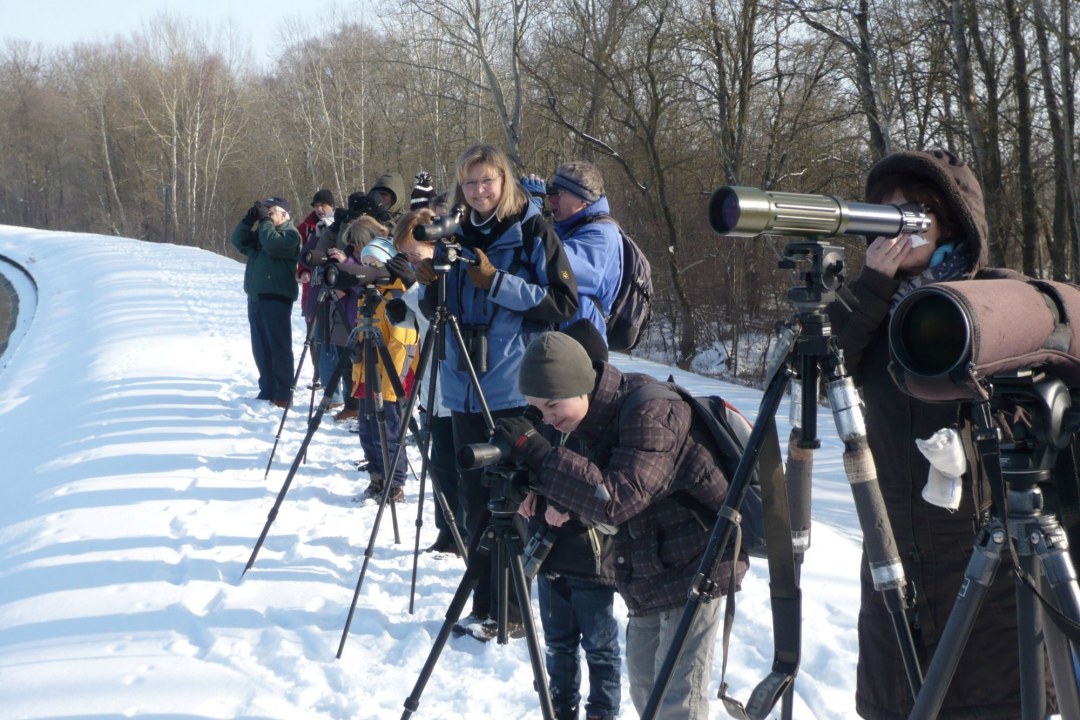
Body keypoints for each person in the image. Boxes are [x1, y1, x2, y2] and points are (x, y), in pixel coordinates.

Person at [826, 148, 1045, 719]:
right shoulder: (866, 311)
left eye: (917, 210)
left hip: (986, 564)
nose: (900, 224)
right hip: (892, 554)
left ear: (953, 219)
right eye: (886, 212)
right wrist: (873, 284)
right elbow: (816, 366)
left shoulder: (997, 299)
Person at [493, 331, 745, 719]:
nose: (548, 419)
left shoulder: (652, 412)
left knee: (677, 701)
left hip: (697, 563)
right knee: (647, 692)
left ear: (581, 387)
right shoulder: (584, 420)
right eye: (537, 410)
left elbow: (619, 497)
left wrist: (542, 458)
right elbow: (588, 484)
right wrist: (535, 488)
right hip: (646, 568)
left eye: (552, 405)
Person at [414, 143, 579, 642]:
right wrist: (428, 283)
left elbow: (562, 303)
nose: (479, 191)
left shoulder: (532, 231)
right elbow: (443, 303)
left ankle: (512, 610)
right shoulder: (457, 231)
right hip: (463, 383)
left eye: (487, 181)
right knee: (474, 503)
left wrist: (498, 282)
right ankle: (485, 605)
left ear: (504, 182)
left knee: (515, 498)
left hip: (512, 387)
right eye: (469, 183)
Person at [517, 320, 620, 720]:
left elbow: (611, 490)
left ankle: (602, 713)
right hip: (549, 555)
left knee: (600, 647)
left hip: (592, 561)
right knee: (558, 644)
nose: (549, 413)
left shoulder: (601, 426)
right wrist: (530, 491)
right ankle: (560, 709)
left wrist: (573, 509)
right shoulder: (546, 419)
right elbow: (534, 465)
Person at [388, 207, 464, 553]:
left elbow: (441, 318)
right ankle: (445, 532)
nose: (410, 261)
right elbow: (413, 325)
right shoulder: (421, 283)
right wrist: (397, 304)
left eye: (414, 254)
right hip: (431, 387)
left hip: (457, 386)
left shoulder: (450, 279)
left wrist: (414, 285)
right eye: (403, 255)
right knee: (439, 467)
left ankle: (461, 532)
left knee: (454, 466)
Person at [353, 236, 420, 504]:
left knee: (389, 432)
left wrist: (391, 384)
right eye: (365, 263)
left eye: (375, 263)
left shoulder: (397, 293)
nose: (370, 268)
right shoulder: (367, 294)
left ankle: (395, 483)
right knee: (367, 431)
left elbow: (402, 344)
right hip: (367, 375)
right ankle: (376, 477)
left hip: (392, 378)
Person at [230, 196, 301, 408]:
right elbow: (238, 241)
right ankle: (267, 388)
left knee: (278, 346)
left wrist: (263, 223)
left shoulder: (290, 235)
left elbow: (273, 245)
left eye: (271, 213)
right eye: (265, 213)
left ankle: (283, 393)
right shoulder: (264, 232)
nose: (267, 217)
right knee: (260, 347)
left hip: (276, 297)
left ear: (284, 214)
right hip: (256, 297)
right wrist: (248, 219)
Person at [542, 162, 623, 341]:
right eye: (551, 193)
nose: (551, 199)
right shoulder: (567, 229)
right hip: (561, 342)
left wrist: (529, 216)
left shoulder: (601, 235)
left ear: (583, 200)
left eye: (559, 193)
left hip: (581, 347)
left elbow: (555, 267)